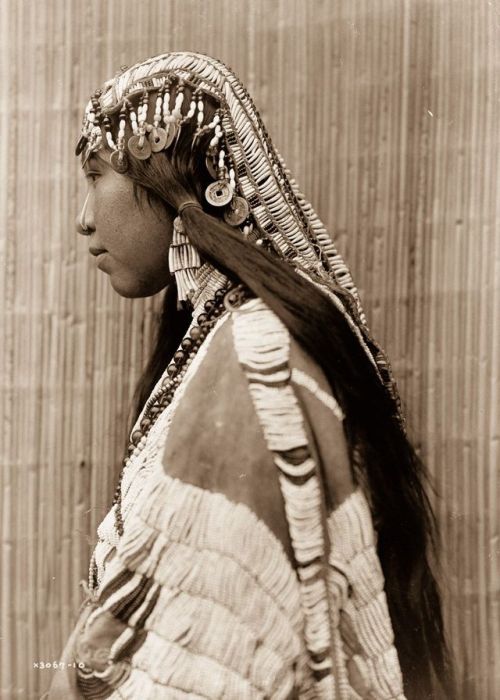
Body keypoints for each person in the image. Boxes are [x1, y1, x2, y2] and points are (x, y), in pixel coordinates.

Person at [46, 52, 454, 699]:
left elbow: (216, 667)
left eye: (96, 174)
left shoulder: (252, 356)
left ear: (168, 176)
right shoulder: (223, 341)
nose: (84, 218)